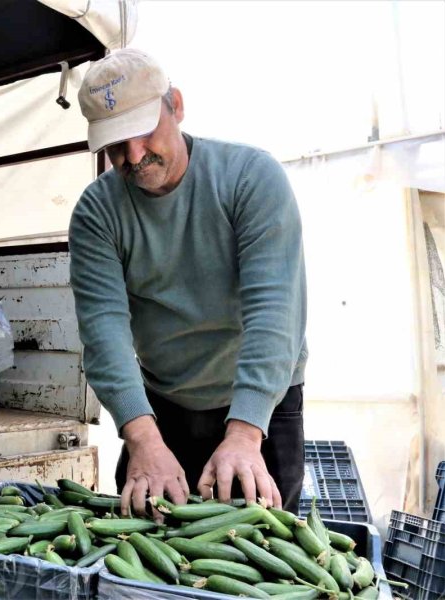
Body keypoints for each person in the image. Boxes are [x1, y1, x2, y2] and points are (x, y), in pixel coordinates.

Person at [69, 48, 308, 517]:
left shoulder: (250, 178)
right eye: (116, 144)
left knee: (265, 551)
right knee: (148, 547)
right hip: (161, 410)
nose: (133, 156)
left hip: (262, 402)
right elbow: (105, 332)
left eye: (142, 131)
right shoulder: (97, 213)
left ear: (175, 105)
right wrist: (143, 439)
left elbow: (275, 313)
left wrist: (243, 433)